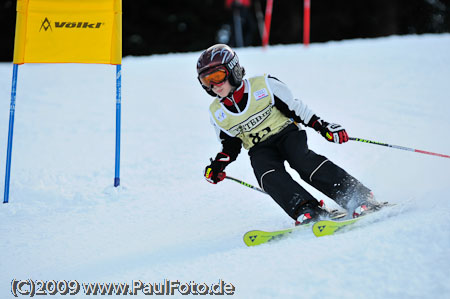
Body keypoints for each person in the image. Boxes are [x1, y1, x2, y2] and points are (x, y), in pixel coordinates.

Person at [197, 44, 379, 225]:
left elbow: (295, 108)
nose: (214, 85)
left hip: (286, 133)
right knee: (266, 175)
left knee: (301, 160)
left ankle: (357, 195)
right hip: (259, 148)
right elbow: (230, 145)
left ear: (233, 70)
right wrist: (218, 166)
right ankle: (306, 208)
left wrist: (323, 127)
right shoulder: (217, 112)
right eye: (206, 81)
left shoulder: (264, 85)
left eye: (218, 76)